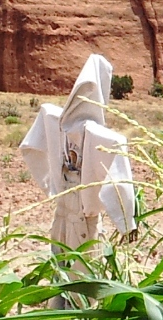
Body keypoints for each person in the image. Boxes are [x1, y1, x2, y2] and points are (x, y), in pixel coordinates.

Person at [18, 54, 135, 245]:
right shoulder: (98, 134)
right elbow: (118, 169)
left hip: (62, 215)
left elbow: (31, 146)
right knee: (83, 271)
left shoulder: (54, 119)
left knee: (62, 267)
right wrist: (127, 221)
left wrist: (50, 184)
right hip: (83, 225)